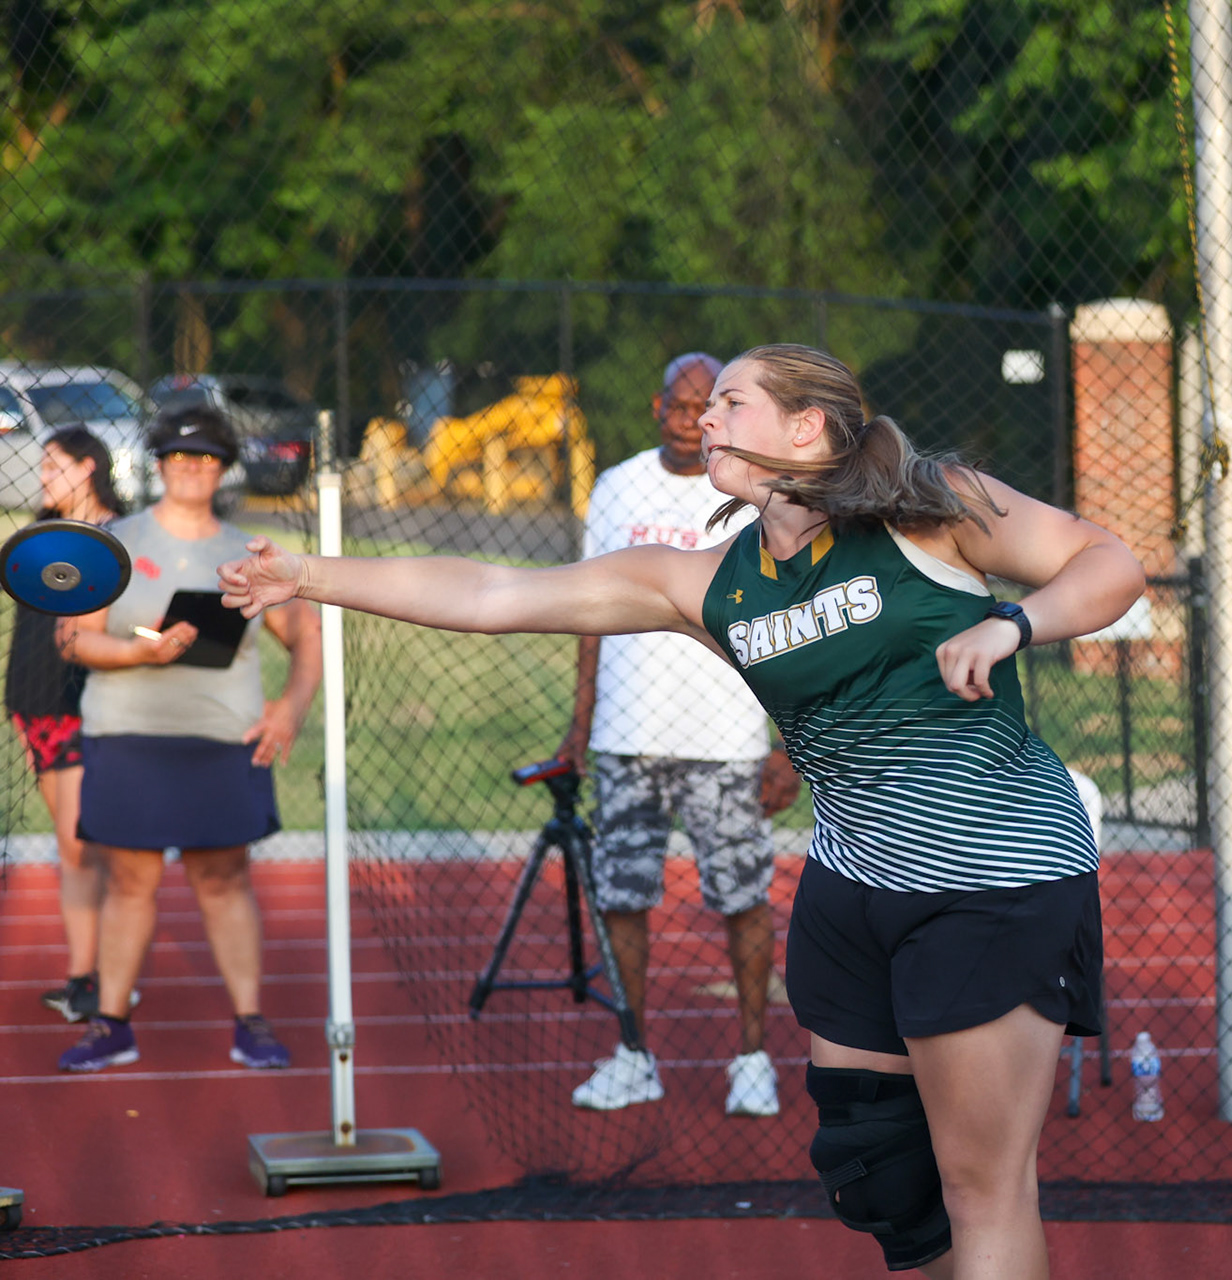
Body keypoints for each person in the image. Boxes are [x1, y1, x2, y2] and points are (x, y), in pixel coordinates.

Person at [219, 343, 1145, 1279]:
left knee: (981, 1184)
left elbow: (1108, 562)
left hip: (989, 875)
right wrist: (308, 575)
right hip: (855, 882)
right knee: (881, 1182)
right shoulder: (711, 583)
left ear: (805, 427)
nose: (705, 418)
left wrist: (1013, 622)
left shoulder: (929, 504)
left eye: (732, 404)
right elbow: (496, 594)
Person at [557, 350, 801, 1117]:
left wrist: (786, 742)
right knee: (622, 895)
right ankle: (633, 1053)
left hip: (726, 738)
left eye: (709, 403)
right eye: (681, 402)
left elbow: (792, 622)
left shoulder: (754, 488)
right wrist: (580, 721)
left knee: (741, 896)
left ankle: (753, 1058)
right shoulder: (616, 485)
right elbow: (588, 610)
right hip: (626, 735)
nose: (693, 417)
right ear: (661, 408)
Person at [54, 404, 322, 1073]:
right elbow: (73, 637)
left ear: (224, 468)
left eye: (205, 458)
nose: (191, 469)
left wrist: (290, 708)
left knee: (224, 878)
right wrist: (140, 656)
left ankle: (250, 1022)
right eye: (178, 458)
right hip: (129, 733)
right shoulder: (118, 540)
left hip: (221, 738)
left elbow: (305, 634)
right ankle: (112, 1024)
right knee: (130, 881)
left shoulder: (247, 552)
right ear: (160, 465)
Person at [9, 428, 127, 1021]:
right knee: (73, 850)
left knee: (85, 850)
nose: (41, 477)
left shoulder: (119, 539)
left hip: (86, 711)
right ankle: (85, 977)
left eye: (53, 467)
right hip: (37, 712)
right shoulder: (40, 534)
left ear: (87, 469)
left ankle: (107, 976)